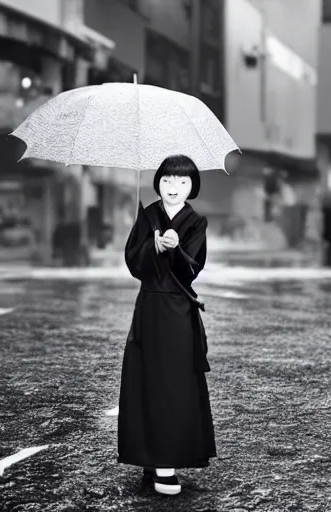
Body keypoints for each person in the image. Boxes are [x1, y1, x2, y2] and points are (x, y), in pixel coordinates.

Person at [118, 154, 215, 496]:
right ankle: (151, 457)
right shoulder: (146, 216)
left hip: (176, 311)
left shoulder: (196, 222)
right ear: (157, 182)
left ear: (193, 187)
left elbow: (192, 270)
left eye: (183, 182)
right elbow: (133, 262)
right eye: (168, 180)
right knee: (146, 380)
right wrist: (151, 245)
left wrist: (173, 251)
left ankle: (167, 464)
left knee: (172, 384)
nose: (174, 188)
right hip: (149, 307)